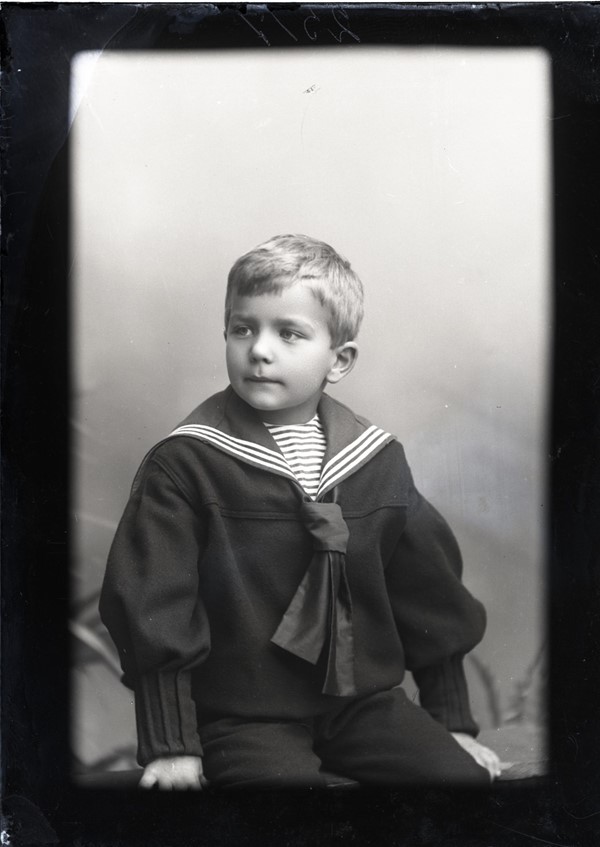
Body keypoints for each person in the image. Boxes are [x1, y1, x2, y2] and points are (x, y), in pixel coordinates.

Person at [100, 234, 501, 789]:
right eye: (243, 329)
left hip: (360, 704)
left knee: (458, 783)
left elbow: (428, 591)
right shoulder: (188, 463)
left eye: (289, 333)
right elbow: (154, 604)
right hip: (242, 714)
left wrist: (452, 721)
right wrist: (171, 746)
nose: (259, 350)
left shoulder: (376, 461)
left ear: (340, 360)